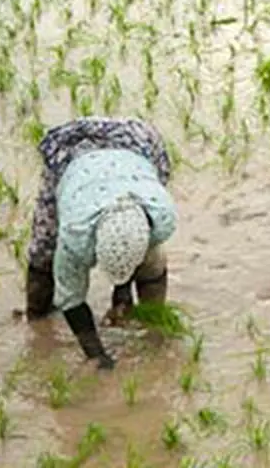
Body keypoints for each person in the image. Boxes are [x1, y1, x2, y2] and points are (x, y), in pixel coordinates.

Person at [24, 118, 177, 370]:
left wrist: (123, 291)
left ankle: (153, 329)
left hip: (136, 145)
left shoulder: (159, 214)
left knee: (152, 262)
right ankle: (37, 318)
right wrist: (97, 356)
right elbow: (70, 298)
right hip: (73, 154)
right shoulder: (76, 230)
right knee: (44, 250)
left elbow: (135, 249)